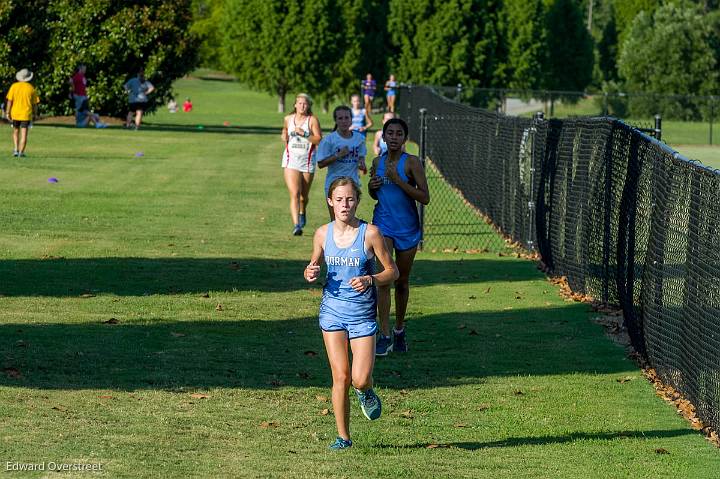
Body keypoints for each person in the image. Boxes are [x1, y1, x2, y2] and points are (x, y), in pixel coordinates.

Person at [304, 176, 399, 450]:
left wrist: (371, 280)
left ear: (357, 201)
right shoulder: (322, 234)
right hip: (332, 312)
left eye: (350, 199)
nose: (345, 204)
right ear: (330, 202)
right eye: (339, 200)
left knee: (359, 378)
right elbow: (313, 264)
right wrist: (310, 271)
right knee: (341, 377)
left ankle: (365, 392)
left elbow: (392, 271)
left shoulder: (370, 234)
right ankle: (343, 437)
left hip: (361, 316)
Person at [368, 118, 430, 356]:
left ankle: (399, 329)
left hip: (407, 228)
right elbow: (376, 194)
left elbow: (424, 197)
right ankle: (383, 335)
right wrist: (373, 186)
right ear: (383, 137)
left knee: (401, 281)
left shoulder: (412, 163)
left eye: (398, 134)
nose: (393, 137)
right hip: (383, 225)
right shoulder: (377, 162)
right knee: (384, 277)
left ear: (405, 138)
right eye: (389, 133)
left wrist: (399, 181)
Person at [281, 93, 322, 236]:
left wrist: (304, 134)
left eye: (305, 104)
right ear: (295, 105)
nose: (302, 106)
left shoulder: (312, 120)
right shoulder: (288, 119)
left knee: (304, 196)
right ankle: (296, 225)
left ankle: (302, 210)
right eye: (299, 103)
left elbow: (318, 140)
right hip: (290, 160)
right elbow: (285, 130)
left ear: (309, 106)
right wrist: (284, 134)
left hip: (307, 160)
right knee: (295, 193)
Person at [318, 106, 367, 220]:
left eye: (346, 117)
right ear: (336, 120)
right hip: (333, 184)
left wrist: (361, 164)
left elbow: (361, 158)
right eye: (340, 118)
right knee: (335, 221)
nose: (344, 121)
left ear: (351, 119)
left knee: (349, 220)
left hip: (352, 184)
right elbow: (320, 164)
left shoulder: (359, 139)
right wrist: (337, 155)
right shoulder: (329, 140)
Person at [6, 68, 39, 158]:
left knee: (15, 131)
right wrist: (35, 114)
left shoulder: (14, 86)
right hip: (26, 114)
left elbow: (9, 101)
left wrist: (7, 112)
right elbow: (35, 104)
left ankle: (16, 150)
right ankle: (21, 152)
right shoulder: (31, 88)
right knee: (24, 134)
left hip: (15, 113)